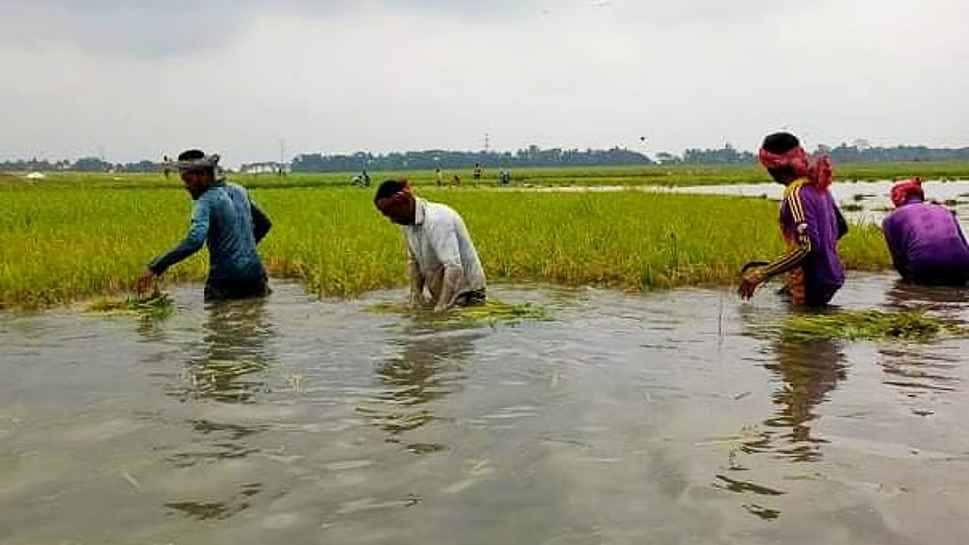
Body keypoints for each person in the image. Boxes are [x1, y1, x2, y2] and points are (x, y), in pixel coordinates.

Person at [138, 149, 272, 301]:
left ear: (202, 175)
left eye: (187, 180)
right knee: (251, 319)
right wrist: (243, 251)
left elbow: (195, 240)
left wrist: (155, 267)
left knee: (218, 322)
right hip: (256, 277)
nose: (186, 187)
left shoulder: (206, 200)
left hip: (225, 282)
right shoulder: (239, 190)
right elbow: (264, 224)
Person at [739, 132, 847, 306]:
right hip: (831, 276)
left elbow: (807, 247)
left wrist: (762, 273)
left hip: (812, 280)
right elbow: (841, 227)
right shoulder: (818, 187)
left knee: (798, 330)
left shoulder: (795, 194)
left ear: (773, 167)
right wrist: (792, 262)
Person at [373, 179, 486, 312]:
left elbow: (454, 267)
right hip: (443, 293)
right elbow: (414, 262)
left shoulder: (437, 220)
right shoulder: (407, 223)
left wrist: (442, 306)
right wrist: (416, 297)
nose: (392, 220)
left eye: (393, 214)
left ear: (404, 203)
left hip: (467, 294)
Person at [881, 177, 969, 285]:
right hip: (961, 264)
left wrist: (905, 283)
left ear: (898, 199)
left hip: (924, 266)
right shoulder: (944, 210)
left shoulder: (891, 219)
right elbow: (965, 246)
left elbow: (898, 260)